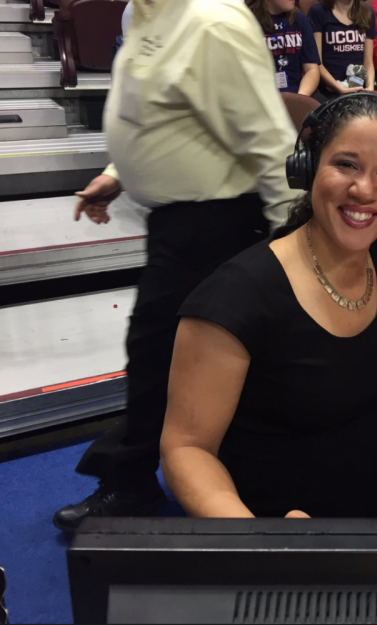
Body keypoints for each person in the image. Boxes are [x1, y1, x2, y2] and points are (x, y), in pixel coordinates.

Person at [54, 0, 299, 532]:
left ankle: (132, 484)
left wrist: (293, 237)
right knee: (161, 357)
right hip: (176, 224)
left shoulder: (213, 22)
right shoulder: (143, 14)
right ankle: (149, 477)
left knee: (160, 357)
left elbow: (269, 139)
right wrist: (119, 172)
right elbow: (157, 112)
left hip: (216, 224)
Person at [160, 94, 377, 519]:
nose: (364, 189)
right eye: (345, 164)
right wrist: (258, 544)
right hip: (277, 534)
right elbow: (186, 449)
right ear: (307, 169)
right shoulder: (235, 297)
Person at [247, 0, 321, 96]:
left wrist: (300, 98)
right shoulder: (246, 22)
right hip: (261, 96)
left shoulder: (299, 19)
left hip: (298, 91)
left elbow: (312, 69)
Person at [308, 0, 376, 98]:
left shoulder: (367, 12)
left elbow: (368, 63)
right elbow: (317, 63)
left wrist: (370, 88)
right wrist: (339, 88)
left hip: (359, 87)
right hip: (330, 89)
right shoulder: (319, 11)